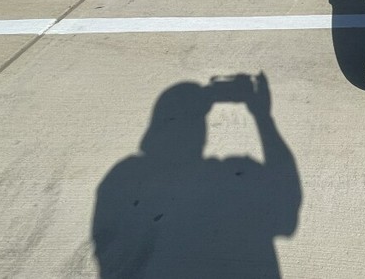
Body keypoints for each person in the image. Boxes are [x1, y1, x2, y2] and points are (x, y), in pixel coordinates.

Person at [92, 74, 301, 278]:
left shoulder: (123, 178)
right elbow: (286, 212)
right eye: (194, 118)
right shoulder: (230, 177)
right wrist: (263, 117)